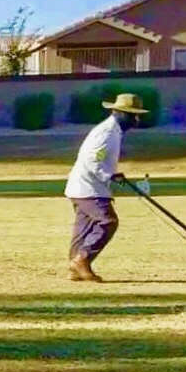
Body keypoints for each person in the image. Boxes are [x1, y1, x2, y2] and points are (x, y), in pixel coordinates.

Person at [65, 92, 148, 281]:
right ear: (120, 113)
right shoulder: (107, 132)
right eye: (133, 115)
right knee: (108, 221)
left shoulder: (112, 132)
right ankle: (82, 259)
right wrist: (109, 175)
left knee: (84, 228)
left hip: (84, 187)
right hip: (89, 188)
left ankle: (74, 268)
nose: (137, 119)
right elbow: (93, 159)